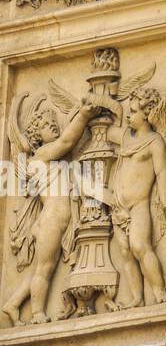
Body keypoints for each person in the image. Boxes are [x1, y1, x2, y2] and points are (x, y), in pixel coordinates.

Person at [1, 94, 104, 326]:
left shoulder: (54, 159)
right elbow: (67, 141)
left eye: (55, 124)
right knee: (44, 269)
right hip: (50, 222)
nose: (54, 127)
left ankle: (13, 304)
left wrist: (78, 112)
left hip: (59, 222)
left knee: (42, 268)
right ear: (38, 137)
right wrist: (84, 116)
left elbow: (68, 140)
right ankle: (37, 313)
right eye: (48, 126)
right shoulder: (43, 155)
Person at [104, 88, 166, 309]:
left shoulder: (155, 142)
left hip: (139, 205)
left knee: (139, 245)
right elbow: (106, 131)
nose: (128, 115)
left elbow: (162, 171)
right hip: (118, 206)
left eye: (133, 111)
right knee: (125, 251)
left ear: (147, 113)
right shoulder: (124, 137)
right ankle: (137, 297)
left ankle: (159, 290)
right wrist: (102, 102)